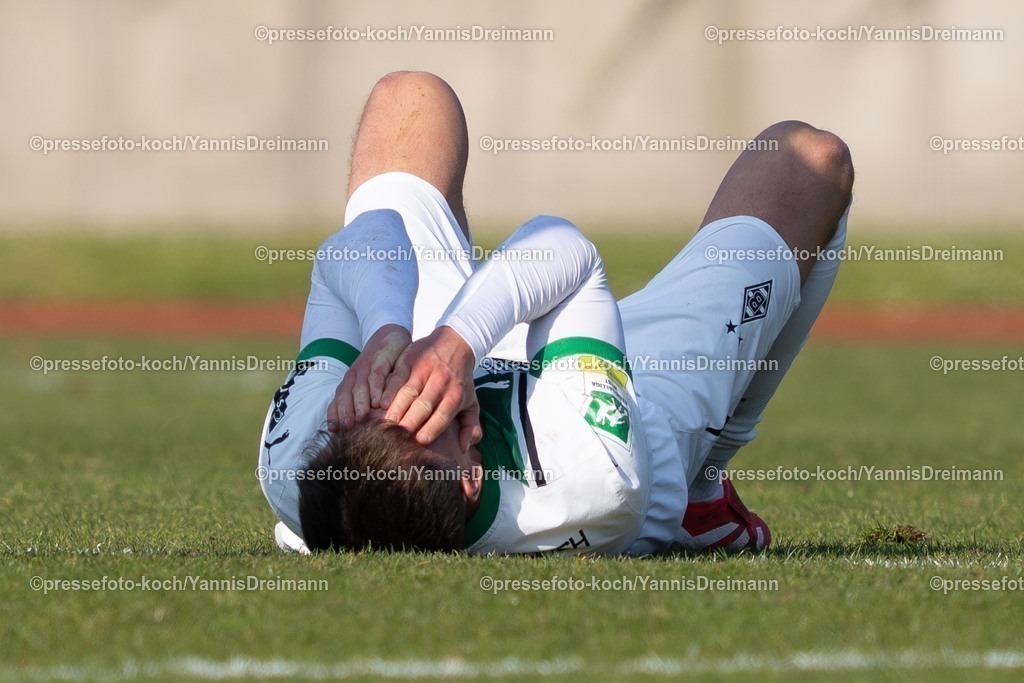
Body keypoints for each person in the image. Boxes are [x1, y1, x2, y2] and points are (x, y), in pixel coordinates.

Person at [257, 71, 854, 556]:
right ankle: (704, 486)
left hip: (461, 351)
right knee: (809, 160)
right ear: (470, 477)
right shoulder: (590, 475)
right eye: (419, 414)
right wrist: (454, 347)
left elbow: (361, 241)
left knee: (408, 98)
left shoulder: (297, 464)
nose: (398, 392)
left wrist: (387, 332)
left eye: (371, 411)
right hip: (627, 403)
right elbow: (566, 257)